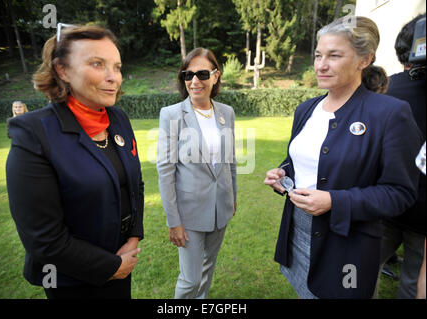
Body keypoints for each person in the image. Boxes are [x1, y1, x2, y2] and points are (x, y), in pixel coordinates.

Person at [264, 16, 422, 299]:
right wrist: (282, 173)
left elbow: (400, 193)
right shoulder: (306, 110)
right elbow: (301, 160)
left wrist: (335, 202)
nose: (321, 65)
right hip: (297, 231)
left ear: (365, 59)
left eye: (334, 56)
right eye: (318, 55)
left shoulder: (390, 114)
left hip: (345, 242)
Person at [6, 24, 144, 299]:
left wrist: (133, 238)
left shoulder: (117, 119)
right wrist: (111, 266)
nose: (113, 77)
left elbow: (134, 186)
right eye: (97, 64)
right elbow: (43, 239)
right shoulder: (33, 133)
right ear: (62, 70)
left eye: (117, 67)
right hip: (71, 280)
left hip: (122, 264)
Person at [157, 47, 236, 299]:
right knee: (190, 279)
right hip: (188, 214)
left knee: (207, 270)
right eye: (187, 75)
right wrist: (174, 221)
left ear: (216, 76)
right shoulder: (171, 115)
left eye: (202, 74)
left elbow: (229, 160)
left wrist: (232, 196)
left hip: (220, 208)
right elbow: (165, 171)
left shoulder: (226, 113)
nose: (194, 81)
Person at [375, 13, 426, 299]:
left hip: (384, 205)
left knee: (362, 270)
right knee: (415, 279)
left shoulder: (383, 90)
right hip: (419, 214)